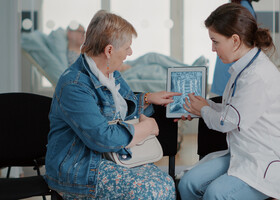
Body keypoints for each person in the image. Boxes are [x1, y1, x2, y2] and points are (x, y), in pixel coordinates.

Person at [44, 10, 180, 199]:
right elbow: (103, 138)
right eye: (127, 47)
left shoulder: (110, 72)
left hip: (109, 158)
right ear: (109, 51)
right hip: (80, 168)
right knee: (150, 190)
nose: (130, 53)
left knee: (165, 183)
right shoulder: (73, 85)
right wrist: (147, 128)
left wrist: (148, 98)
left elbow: (118, 109)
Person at [176, 3, 280, 199]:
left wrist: (203, 110)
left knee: (215, 194)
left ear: (235, 40)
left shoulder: (256, 75)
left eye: (215, 41)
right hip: (241, 152)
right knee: (188, 184)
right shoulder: (242, 68)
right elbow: (233, 110)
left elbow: (228, 121)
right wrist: (202, 106)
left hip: (263, 158)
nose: (212, 48)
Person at [210, 0, 268, 97]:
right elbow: (247, 46)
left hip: (224, 71)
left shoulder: (240, 6)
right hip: (230, 69)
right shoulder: (245, 11)